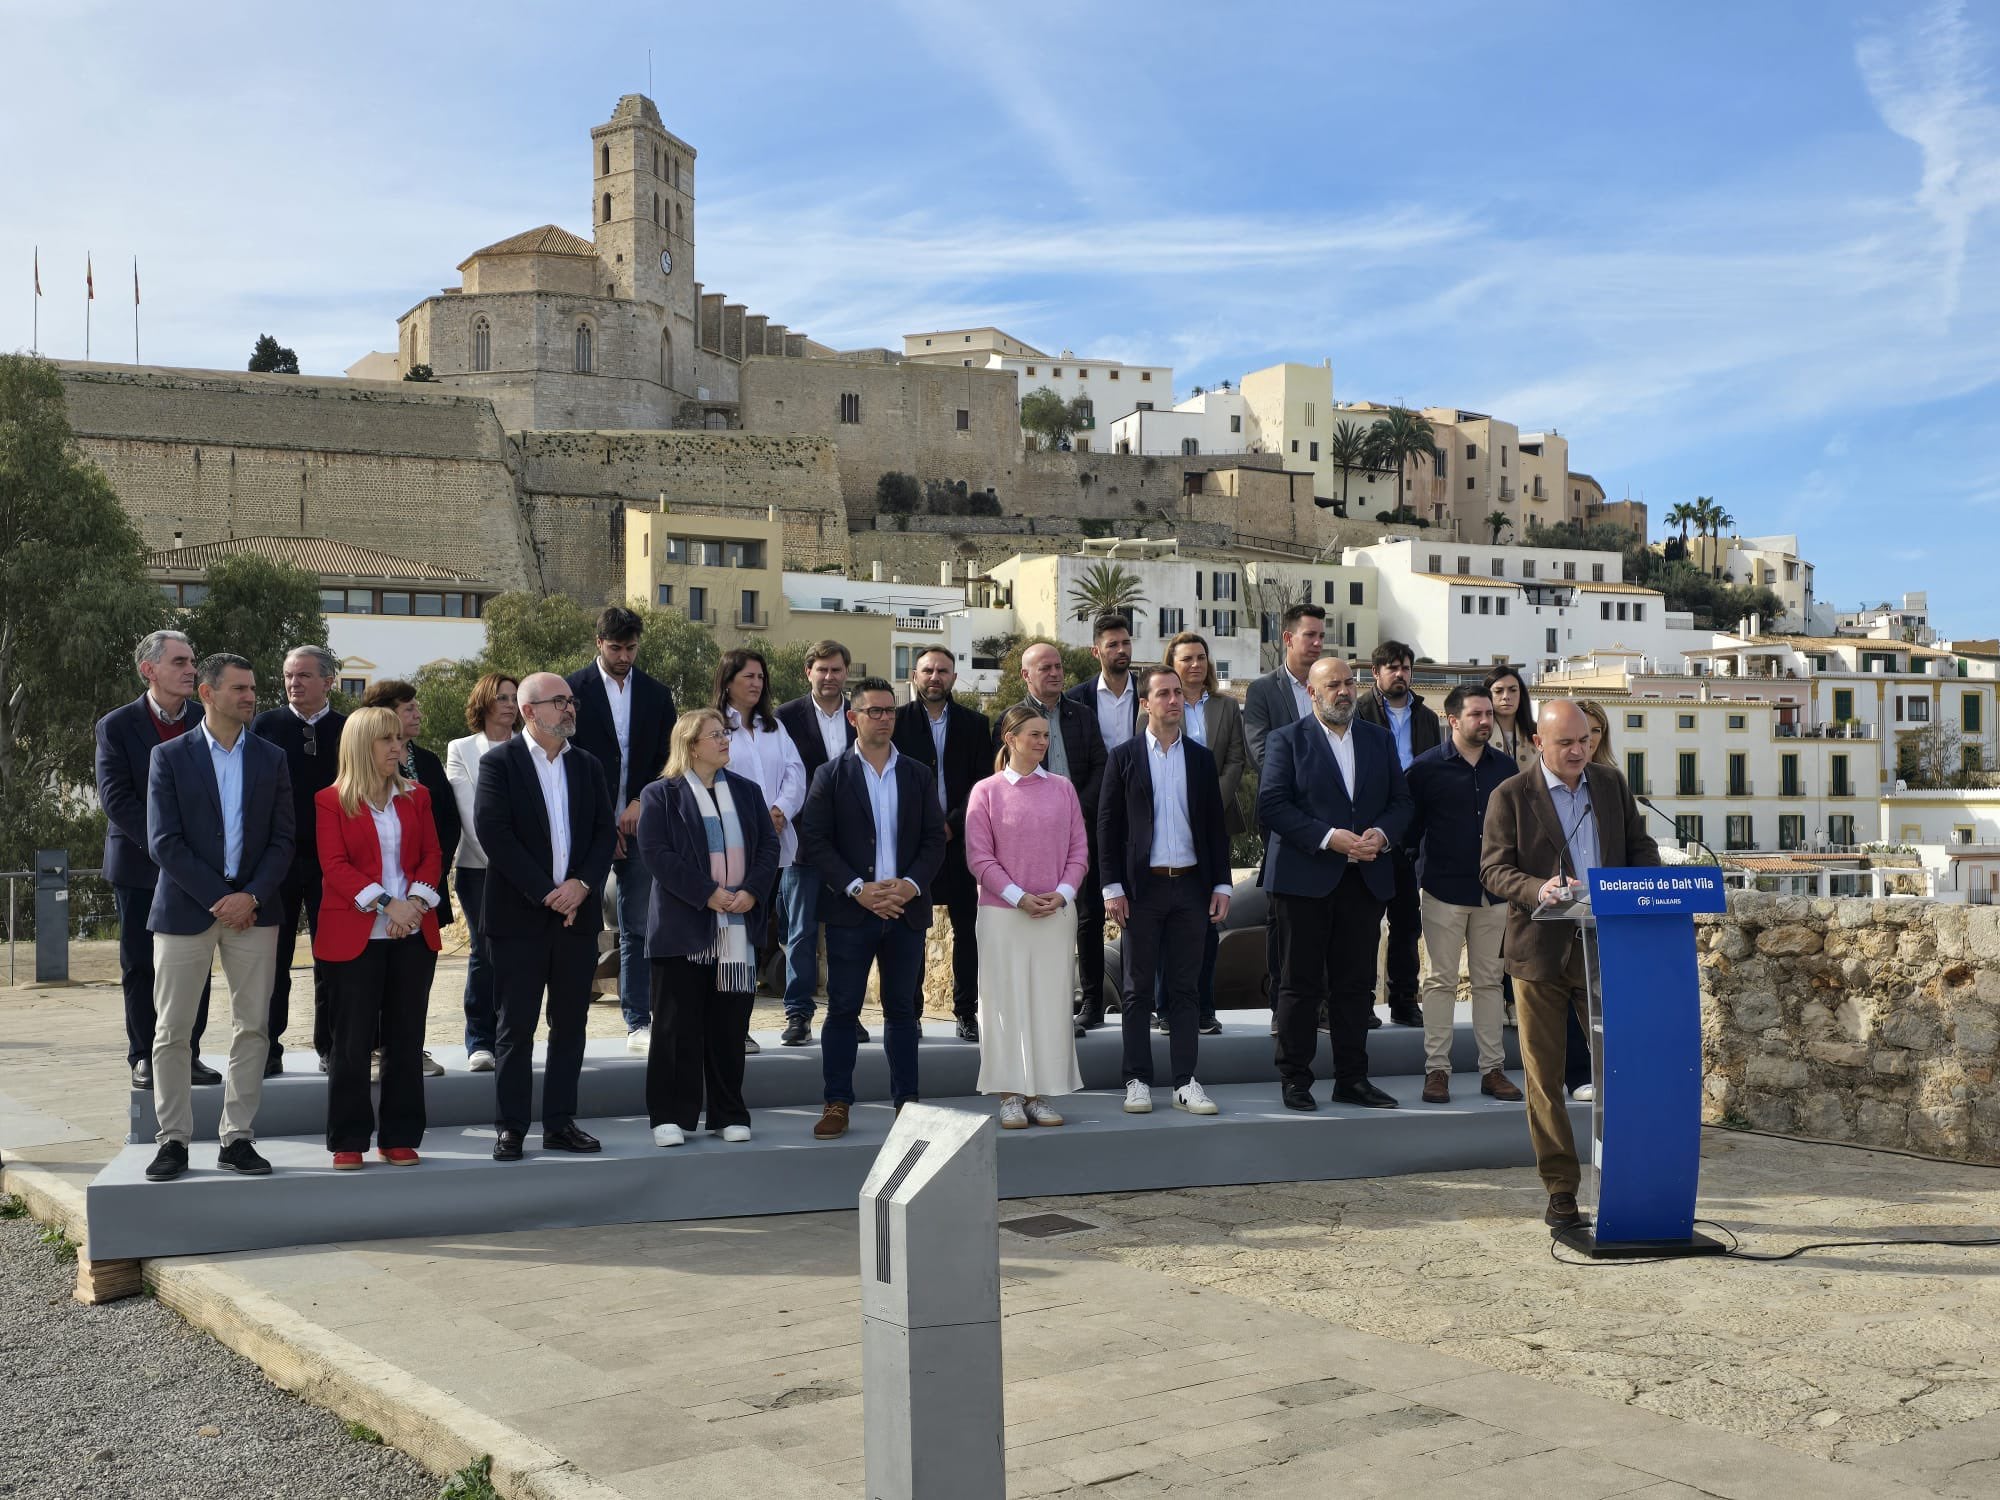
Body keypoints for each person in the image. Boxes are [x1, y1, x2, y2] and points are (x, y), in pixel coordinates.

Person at [1480, 699, 1659, 1230]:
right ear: (1540, 743)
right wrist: (1541, 887)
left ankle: (1628, 1179)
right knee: (1546, 1077)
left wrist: (1646, 890)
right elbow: (1493, 870)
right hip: (1539, 952)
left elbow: (1639, 846)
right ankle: (1560, 1189)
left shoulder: (1609, 785)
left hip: (1606, 948)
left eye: (1584, 740)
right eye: (1566, 743)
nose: (1579, 750)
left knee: (1622, 1069)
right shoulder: (1510, 796)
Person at [143, 654, 294, 1183]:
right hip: (185, 910)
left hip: (256, 913)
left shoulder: (272, 758)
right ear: (207, 693)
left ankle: (237, 1138)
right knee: (172, 1031)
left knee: (253, 1027)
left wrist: (249, 895)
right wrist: (220, 898)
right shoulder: (169, 756)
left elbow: (283, 840)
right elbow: (165, 842)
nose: (251, 697)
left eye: (253, 688)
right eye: (239, 689)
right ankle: (173, 1141)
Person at [475, 671, 618, 1161]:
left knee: (571, 1023)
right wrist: (545, 892)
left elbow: (603, 833)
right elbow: (494, 834)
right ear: (529, 711)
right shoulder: (500, 763)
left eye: (571, 700)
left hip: (577, 918)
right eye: (560, 702)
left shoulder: (589, 766)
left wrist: (580, 885)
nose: (570, 708)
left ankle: (560, 1122)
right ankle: (510, 1127)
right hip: (519, 919)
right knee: (515, 1027)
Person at [1259, 657, 1412, 1112]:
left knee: (1356, 987)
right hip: (1305, 881)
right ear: (1312, 692)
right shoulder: (1286, 739)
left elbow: (1402, 802)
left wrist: (1381, 835)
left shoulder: (1379, 740)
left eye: (1349, 683)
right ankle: (1295, 1079)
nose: (1344, 691)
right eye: (1333, 685)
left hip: (1363, 880)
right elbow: (1271, 805)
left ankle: (1352, 1079)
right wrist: (1329, 839)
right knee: (1299, 985)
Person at [796, 678, 945, 1139]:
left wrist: (911, 886)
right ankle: (837, 1102)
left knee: (903, 1011)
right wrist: (857, 888)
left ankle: (907, 1104)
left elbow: (934, 839)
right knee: (842, 1009)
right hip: (850, 912)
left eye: (890, 711)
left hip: (904, 912)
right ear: (852, 718)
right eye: (875, 711)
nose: (884, 718)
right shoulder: (830, 774)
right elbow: (815, 840)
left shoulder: (918, 773)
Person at [636, 709, 778, 1146]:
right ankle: (670, 1116)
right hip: (683, 929)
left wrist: (751, 891)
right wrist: (707, 894)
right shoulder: (661, 794)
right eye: (716, 734)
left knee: (729, 1026)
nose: (725, 741)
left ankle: (727, 1112)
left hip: (737, 927)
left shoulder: (748, 791)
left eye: (725, 733)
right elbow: (657, 853)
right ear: (691, 744)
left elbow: (768, 847)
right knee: (675, 1027)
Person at [1100, 667, 1233, 1118]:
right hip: (1142, 891)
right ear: (1145, 703)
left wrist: (1221, 883)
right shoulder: (1124, 757)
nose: (1174, 700)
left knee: (1186, 989)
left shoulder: (1199, 758)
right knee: (1137, 989)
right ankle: (1137, 1080)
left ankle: (1185, 1081)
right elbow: (1107, 827)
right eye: (1164, 693)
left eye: (1178, 693)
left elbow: (1216, 827)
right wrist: (1112, 887)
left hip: (1192, 888)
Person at [314, 708, 442, 1168]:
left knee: (406, 1040)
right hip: (354, 937)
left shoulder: (419, 796)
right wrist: (390, 905)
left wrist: (415, 907)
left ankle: (400, 1135)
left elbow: (432, 854)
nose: (397, 747)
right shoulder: (330, 801)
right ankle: (349, 1140)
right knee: (350, 1043)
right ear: (359, 745)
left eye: (399, 740)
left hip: (411, 932)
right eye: (385, 740)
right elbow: (336, 866)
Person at [95, 629, 218, 1090]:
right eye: (181, 662)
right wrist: (167, 847)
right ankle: (145, 1055)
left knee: (196, 964)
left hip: (198, 870)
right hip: (139, 865)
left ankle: (188, 1054)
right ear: (150, 669)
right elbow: (117, 799)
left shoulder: (207, 721)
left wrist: (194, 857)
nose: (191, 670)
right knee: (140, 964)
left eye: (193, 661)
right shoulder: (116, 725)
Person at [964, 703, 1088, 1126]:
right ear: (1010, 738)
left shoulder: (1063, 788)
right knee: (1005, 1002)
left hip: (1054, 915)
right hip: (1004, 915)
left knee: (1050, 1003)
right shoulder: (986, 791)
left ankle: (1042, 1094)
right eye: (1033, 734)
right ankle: (1010, 1095)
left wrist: (1062, 893)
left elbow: (1079, 850)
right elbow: (979, 857)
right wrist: (1018, 896)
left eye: (1045, 735)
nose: (1042, 742)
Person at [566, 607, 676, 1056]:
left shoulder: (655, 693)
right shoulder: (570, 690)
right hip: (582, 828)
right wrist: (600, 822)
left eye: (631, 648)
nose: (624, 656)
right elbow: (564, 760)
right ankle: (568, 1020)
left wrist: (639, 800)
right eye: (616, 648)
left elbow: (670, 759)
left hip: (641, 824)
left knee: (637, 926)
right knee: (576, 925)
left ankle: (637, 1021)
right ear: (598, 642)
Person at [1405, 684, 1522, 1105]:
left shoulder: (1507, 769)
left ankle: (1493, 1071)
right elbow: (1409, 832)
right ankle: (1437, 1071)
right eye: (1476, 714)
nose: (1486, 720)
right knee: (1440, 981)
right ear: (1453, 720)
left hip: (1495, 894)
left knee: (1491, 982)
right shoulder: (1423, 770)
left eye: (1489, 713)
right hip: (1443, 891)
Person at [251, 645, 344, 1076]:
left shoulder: (350, 730)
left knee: (332, 958)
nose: (294, 683)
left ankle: (331, 1045)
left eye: (304, 676)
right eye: (288, 675)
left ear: (328, 681)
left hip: (335, 863)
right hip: (277, 863)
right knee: (273, 960)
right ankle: (267, 1047)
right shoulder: (263, 726)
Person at [360, 680, 460, 1077]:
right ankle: (371, 1048)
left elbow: (447, 824)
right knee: (373, 985)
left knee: (414, 984)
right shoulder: (359, 764)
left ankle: (410, 1048)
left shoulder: (429, 760)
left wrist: (422, 891)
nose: (418, 714)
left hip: (424, 892)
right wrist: (390, 902)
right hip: (373, 900)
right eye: (409, 708)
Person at [893, 646, 992, 1042]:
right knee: (913, 930)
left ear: (954, 676)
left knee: (969, 933)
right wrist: (928, 828)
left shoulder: (975, 723)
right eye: (928, 670)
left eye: (943, 671)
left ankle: (965, 1013)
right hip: (913, 846)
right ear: (915, 675)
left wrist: (951, 824)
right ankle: (911, 1013)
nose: (935, 677)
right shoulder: (896, 723)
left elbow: (982, 784)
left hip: (961, 843)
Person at [1007, 643, 1108, 1025]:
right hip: (1033, 841)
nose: (1055, 673)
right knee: (1039, 919)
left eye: (1058, 666)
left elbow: (1101, 765)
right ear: (1025, 675)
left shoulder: (1082, 715)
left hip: (1082, 831)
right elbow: (1006, 781)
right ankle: (1046, 1007)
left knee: (1089, 917)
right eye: (1045, 667)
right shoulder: (1012, 720)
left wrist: (1074, 810)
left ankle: (1092, 1005)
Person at [714, 647, 805, 1053]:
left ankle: (741, 1022)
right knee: (730, 939)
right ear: (728, 680)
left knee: (756, 936)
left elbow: (795, 772)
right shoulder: (715, 726)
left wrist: (780, 809)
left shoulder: (774, 727)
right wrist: (754, 815)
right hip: (731, 844)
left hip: (772, 844)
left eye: (760, 677)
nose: (756, 683)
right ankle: (727, 1024)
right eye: (748, 676)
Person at [773, 640, 856, 1045]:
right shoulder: (784, 717)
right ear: (808, 672)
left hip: (852, 847)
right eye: (821, 669)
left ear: (846, 673)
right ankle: (798, 1015)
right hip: (801, 842)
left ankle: (846, 1013)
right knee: (801, 933)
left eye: (836, 670)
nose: (829, 677)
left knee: (846, 932)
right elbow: (782, 777)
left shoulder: (860, 716)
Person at [1354, 641, 1439, 1029]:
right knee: (1366, 924)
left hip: (1411, 832)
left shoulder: (1426, 717)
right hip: (1371, 831)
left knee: (1407, 923)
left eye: (1405, 667)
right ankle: (1363, 1002)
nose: (1400, 674)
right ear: (1376, 673)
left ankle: (1405, 1000)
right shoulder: (1361, 711)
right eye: (1392, 668)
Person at [1167, 632, 1247, 1034]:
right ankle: (1168, 1009)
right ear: (1172, 663)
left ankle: (1204, 1009)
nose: (1196, 665)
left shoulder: (1226, 707)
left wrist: (1210, 803)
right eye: (1187, 659)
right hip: (1169, 825)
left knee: (1209, 919)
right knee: (1168, 922)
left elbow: (1236, 758)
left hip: (1214, 825)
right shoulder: (1159, 704)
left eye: (1201, 657)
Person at [444, 673, 518, 1072]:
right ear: (484, 703)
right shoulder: (460, 749)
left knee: (518, 957)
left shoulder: (530, 748)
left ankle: (512, 1036)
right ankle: (480, 1041)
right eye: (501, 697)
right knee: (485, 950)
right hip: (479, 870)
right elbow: (471, 816)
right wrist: (509, 863)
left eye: (513, 697)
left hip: (528, 874)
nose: (509, 704)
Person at [1243, 602, 1325, 771]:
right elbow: (1260, 754)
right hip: (1283, 793)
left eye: (1321, 636)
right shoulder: (1262, 691)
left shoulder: (1329, 688)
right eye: (1310, 635)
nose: (1318, 643)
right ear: (1288, 638)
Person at [1067, 613, 1138, 755]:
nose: (1122, 650)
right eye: (1113, 645)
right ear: (1095, 652)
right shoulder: (1075, 699)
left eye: (1126, 643)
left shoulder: (1148, 692)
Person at [1483, 664, 1535, 764]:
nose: (1506, 696)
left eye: (1513, 690)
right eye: (1498, 691)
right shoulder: (1478, 735)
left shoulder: (1537, 732)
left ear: (1521, 694)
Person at [1579, 699, 1616, 766]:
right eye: (1582, 729)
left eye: (1595, 730)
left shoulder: (1611, 775)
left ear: (1603, 735)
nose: (1589, 737)